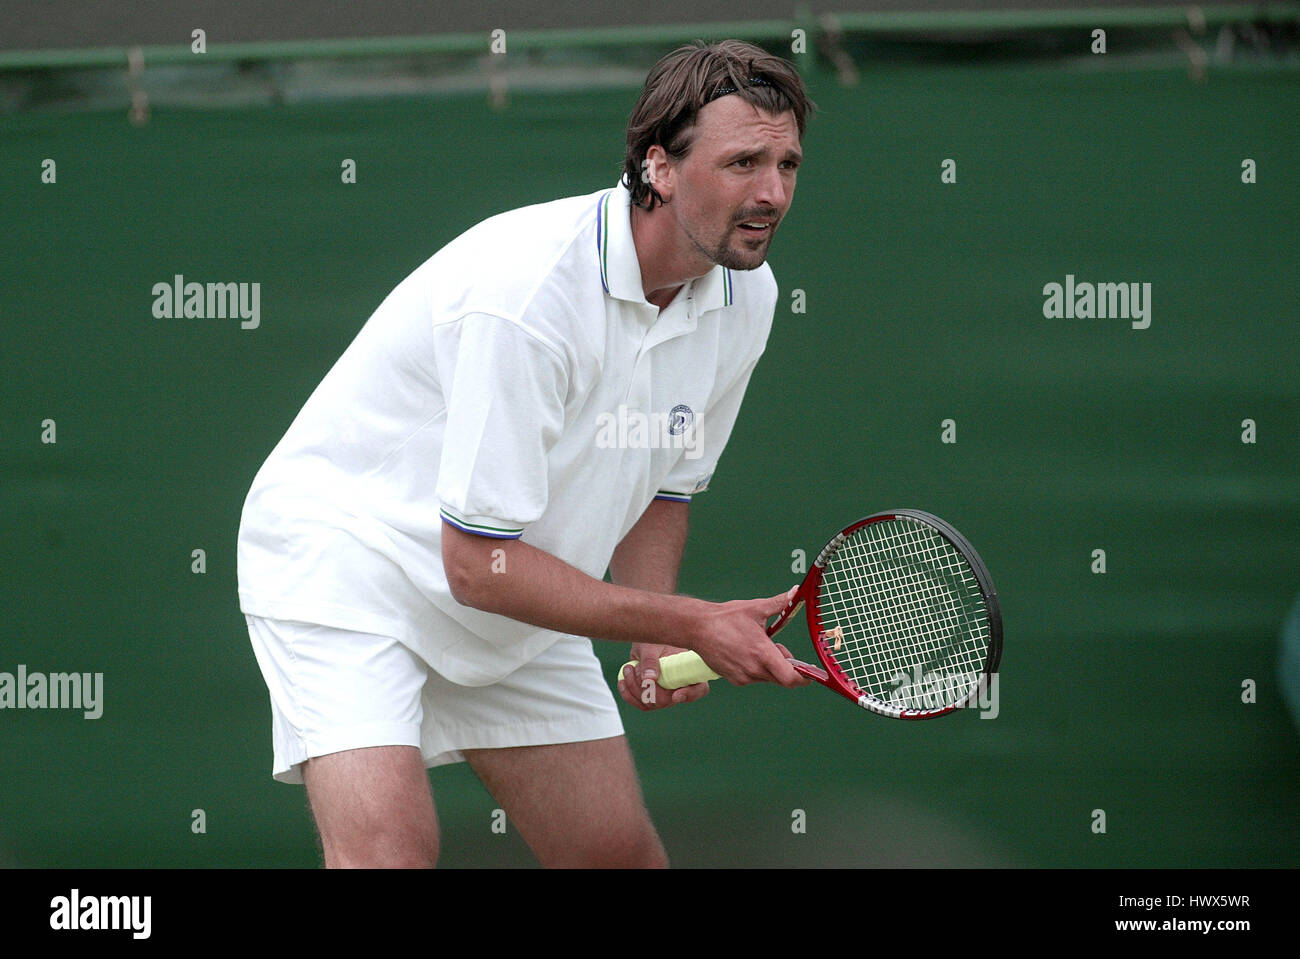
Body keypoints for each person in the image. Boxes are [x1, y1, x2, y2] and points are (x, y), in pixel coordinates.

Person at [236, 38, 815, 868]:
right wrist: (688, 619)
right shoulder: (529, 298)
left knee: (617, 858)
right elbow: (475, 564)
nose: (771, 193)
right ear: (658, 167)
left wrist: (650, 636)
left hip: (518, 597)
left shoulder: (746, 296)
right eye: (743, 161)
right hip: (352, 569)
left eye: (787, 163)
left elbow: (665, 486)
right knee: (388, 855)